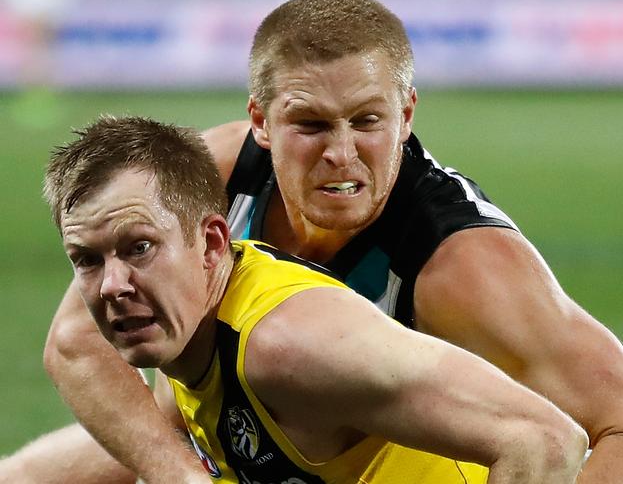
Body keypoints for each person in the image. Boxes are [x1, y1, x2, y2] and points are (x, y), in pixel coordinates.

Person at [2, 0, 623, 482]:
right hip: (234, 436)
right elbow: (78, 345)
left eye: (367, 120)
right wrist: (181, 476)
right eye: (310, 124)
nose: (342, 155)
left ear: (406, 115)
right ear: (260, 120)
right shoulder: (215, 175)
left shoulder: (461, 265)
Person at [43, 114, 587, 484]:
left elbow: (544, 439)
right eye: (87, 260)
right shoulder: (187, 344)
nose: (112, 285)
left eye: (139, 248)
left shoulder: (289, 344)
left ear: (210, 243)